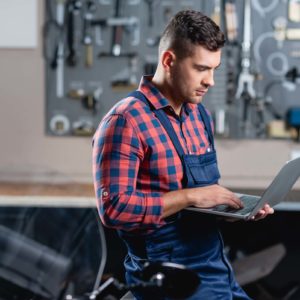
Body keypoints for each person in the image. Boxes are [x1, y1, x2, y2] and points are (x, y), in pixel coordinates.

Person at [92, 9, 274, 299]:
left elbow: (198, 207)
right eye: (201, 68)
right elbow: (114, 209)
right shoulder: (126, 121)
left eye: (214, 69)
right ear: (169, 61)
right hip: (166, 278)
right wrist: (191, 196)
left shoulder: (198, 116)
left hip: (215, 268)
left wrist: (232, 210)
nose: (210, 81)